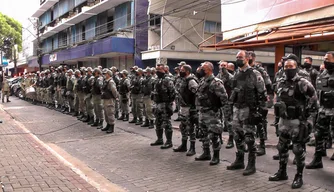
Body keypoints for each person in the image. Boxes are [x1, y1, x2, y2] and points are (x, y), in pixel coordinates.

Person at [269, 59, 318, 189]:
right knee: (281, 147)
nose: (288, 68)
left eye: (291, 66)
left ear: (296, 68)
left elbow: (314, 100)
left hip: (298, 122)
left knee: (297, 149)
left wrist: (306, 119)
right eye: (286, 66)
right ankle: (282, 172)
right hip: (284, 121)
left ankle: (299, 176)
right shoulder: (280, 82)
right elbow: (277, 98)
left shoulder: (303, 83)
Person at [227, 50, 266, 176]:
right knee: (237, 135)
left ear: (247, 58)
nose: (238, 59)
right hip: (237, 109)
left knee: (249, 138)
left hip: (249, 110)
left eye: (241, 57)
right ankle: (239, 160)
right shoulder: (237, 74)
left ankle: (251, 164)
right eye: (237, 57)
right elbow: (234, 91)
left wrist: (259, 112)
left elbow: (262, 93)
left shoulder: (255, 74)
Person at [195, 62, 228, 165]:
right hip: (202, 112)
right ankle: (206, 153)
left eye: (203, 68)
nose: (200, 70)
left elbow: (224, 98)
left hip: (212, 113)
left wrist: (217, 108)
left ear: (209, 70)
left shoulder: (216, 82)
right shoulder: (202, 81)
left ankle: (216, 156)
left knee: (214, 135)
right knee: (203, 134)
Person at [306, 52, 334, 168]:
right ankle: (318, 159)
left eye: (328, 59)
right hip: (323, 110)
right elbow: (317, 92)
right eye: (324, 59)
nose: (325, 61)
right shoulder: (322, 74)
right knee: (318, 134)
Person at [248, 51, 271, 156]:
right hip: (249, 101)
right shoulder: (245, 70)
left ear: (253, 58)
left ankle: (262, 145)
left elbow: (268, 84)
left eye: (248, 57)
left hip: (259, 100)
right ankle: (251, 144)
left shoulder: (259, 70)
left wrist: (264, 99)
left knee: (260, 122)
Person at [173, 64, 199, 156]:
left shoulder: (191, 81)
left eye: (182, 69)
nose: (180, 71)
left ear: (187, 71)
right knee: (183, 127)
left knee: (190, 128)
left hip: (190, 108)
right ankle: (183, 145)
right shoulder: (183, 80)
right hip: (183, 107)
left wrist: (194, 108)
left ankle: (192, 148)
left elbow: (196, 94)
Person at [150, 63, 176, 149]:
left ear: (164, 70)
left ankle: (169, 141)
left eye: (159, 70)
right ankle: (159, 139)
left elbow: (173, 92)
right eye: (156, 70)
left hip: (165, 104)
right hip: (157, 104)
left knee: (166, 123)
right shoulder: (156, 79)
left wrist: (168, 102)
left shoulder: (167, 80)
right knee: (157, 122)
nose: (157, 72)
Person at [216, 60, 234, 149]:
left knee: (229, 121)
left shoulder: (230, 77)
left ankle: (231, 139)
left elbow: (233, 88)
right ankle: (219, 137)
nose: (222, 67)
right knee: (218, 120)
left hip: (227, 102)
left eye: (224, 65)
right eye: (221, 65)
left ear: (227, 67)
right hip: (218, 101)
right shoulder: (217, 76)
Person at [101, 69, 118, 134]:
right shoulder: (106, 81)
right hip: (105, 99)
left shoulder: (111, 82)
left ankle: (111, 126)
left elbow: (114, 90)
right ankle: (108, 124)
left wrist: (115, 97)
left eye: (105, 74)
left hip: (109, 99)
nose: (104, 75)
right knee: (106, 113)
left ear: (109, 74)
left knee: (110, 112)